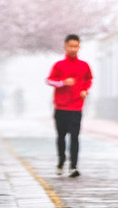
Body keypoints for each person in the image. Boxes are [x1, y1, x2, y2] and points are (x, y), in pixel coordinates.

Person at [45, 34, 93, 178]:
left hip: (76, 106)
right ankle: (61, 160)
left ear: (79, 47)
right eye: (71, 46)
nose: (73, 49)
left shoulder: (84, 66)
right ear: (65, 47)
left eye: (76, 46)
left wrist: (85, 90)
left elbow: (88, 80)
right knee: (61, 136)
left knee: (75, 137)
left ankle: (73, 166)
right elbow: (49, 80)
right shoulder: (59, 65)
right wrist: (63, 82)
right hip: (61, 107)